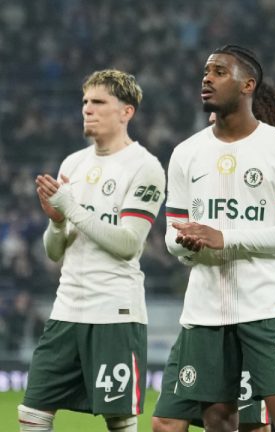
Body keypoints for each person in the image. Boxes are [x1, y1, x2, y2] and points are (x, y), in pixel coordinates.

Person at [164, 45, 275, 432]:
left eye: (219, 72)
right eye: (206, 71)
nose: (207, 78)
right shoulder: (186, 153)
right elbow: (172, 236)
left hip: (265, 307)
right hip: (204, 311)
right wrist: (188, 244)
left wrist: (224, 238)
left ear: (248, 85)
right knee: (217, 418)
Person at [18, 69, 165, 432]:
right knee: (32, 414)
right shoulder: (74, 164)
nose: (87, 109)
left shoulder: (145, 167)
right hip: (66, 309)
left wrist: (70, 207)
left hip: (115, 312)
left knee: (119, 420)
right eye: (85, 101)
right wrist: (56, 222)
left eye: (99, 102)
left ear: (126, 112)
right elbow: (54, 252)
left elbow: (128, 244)